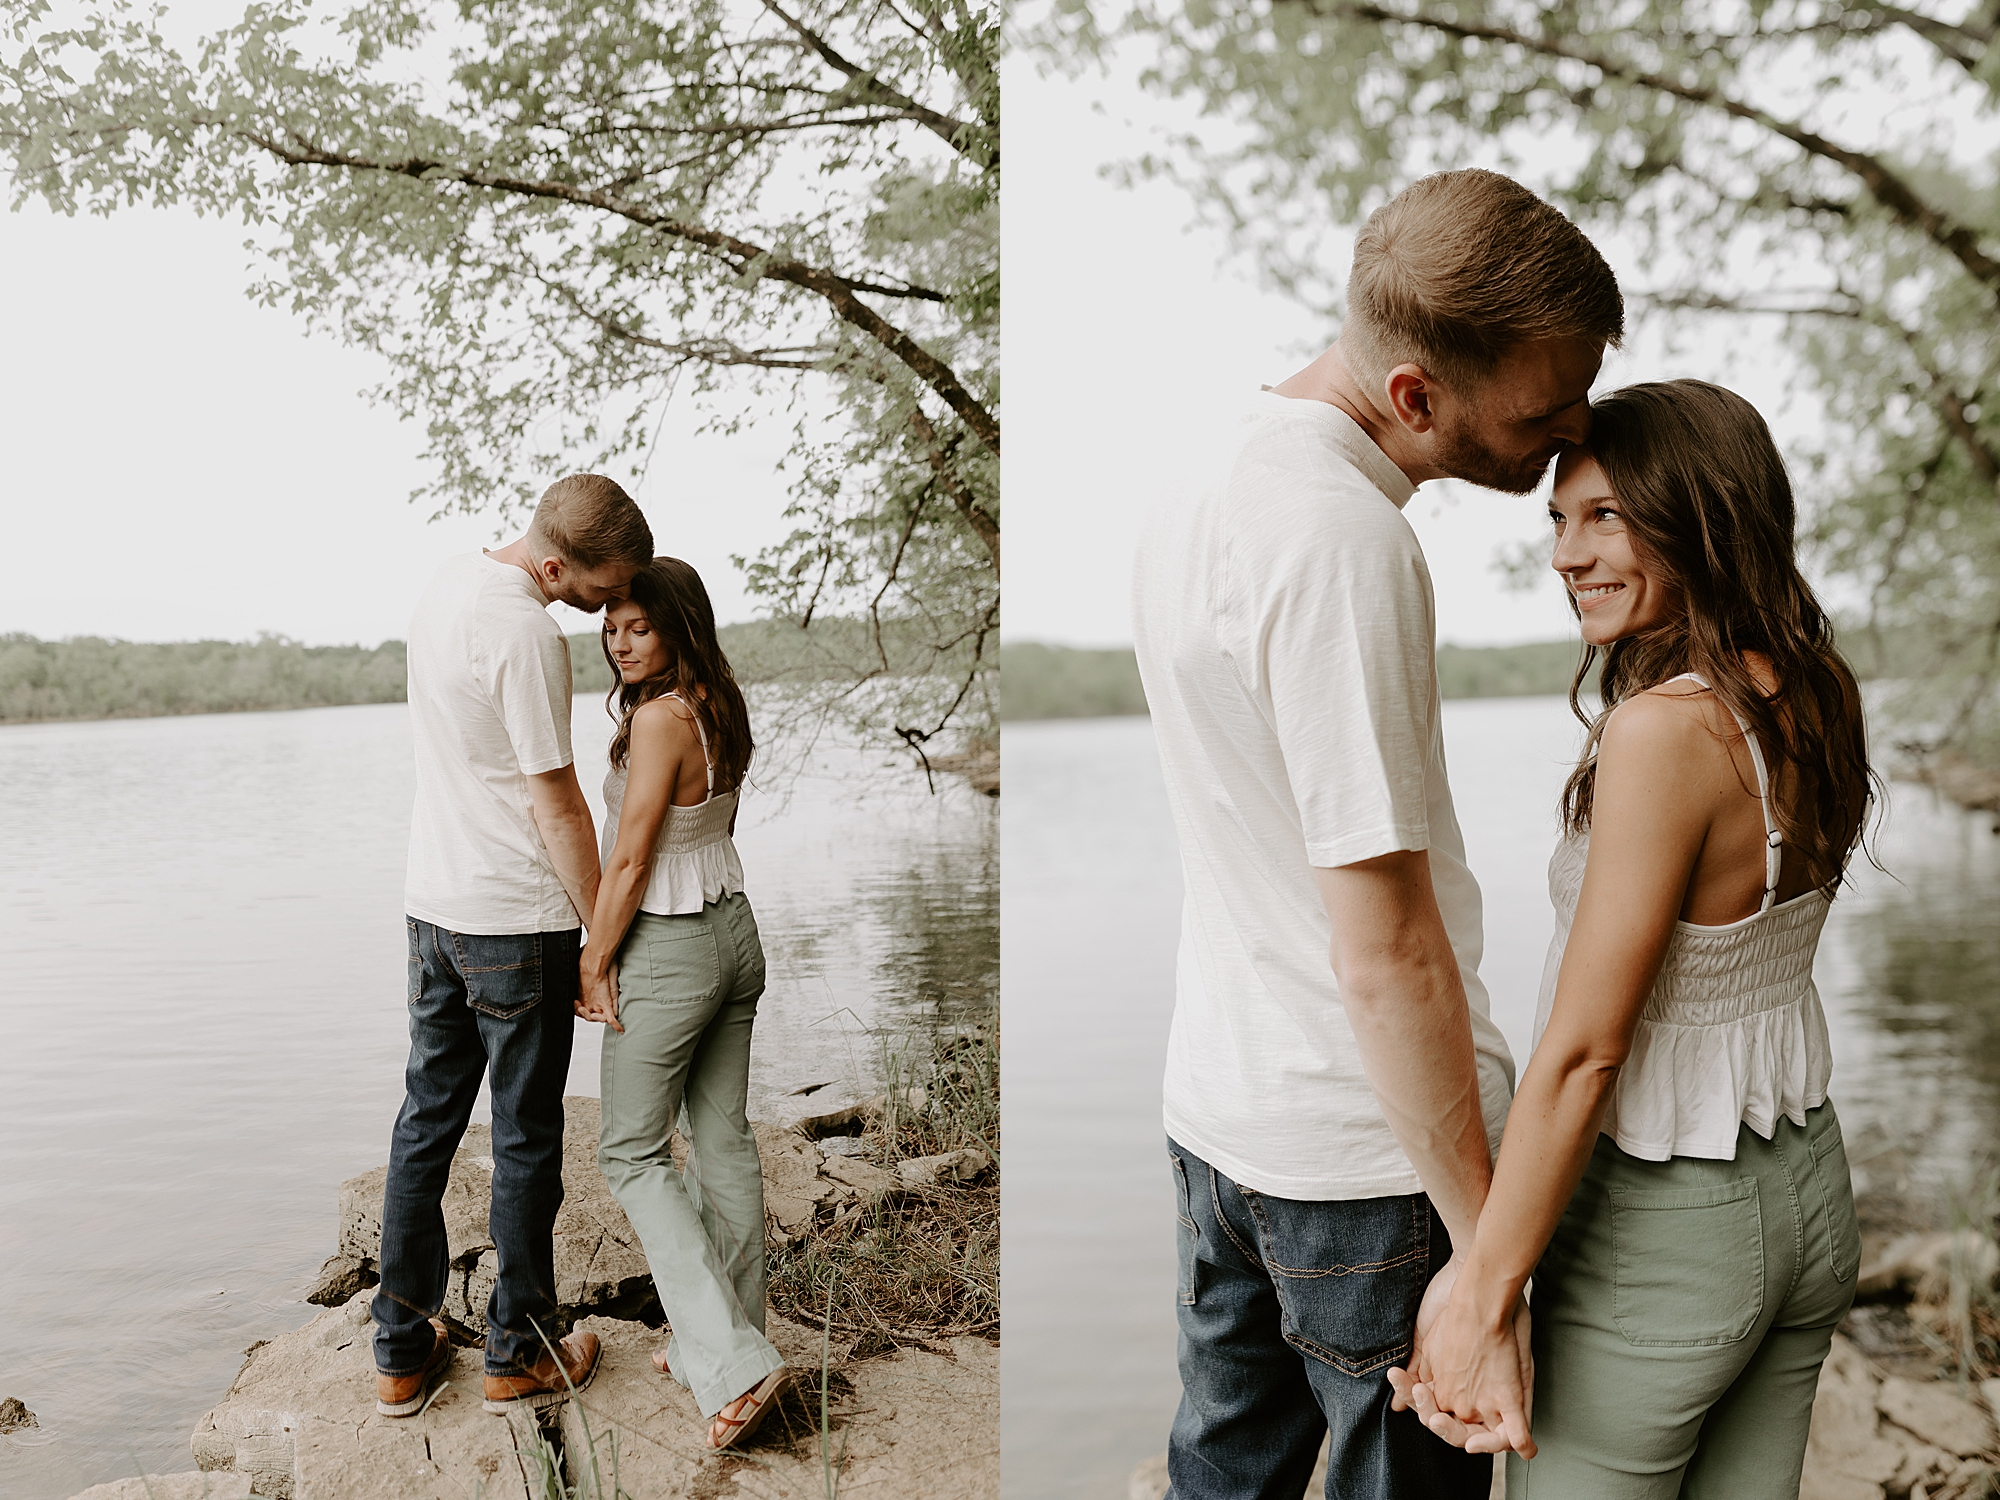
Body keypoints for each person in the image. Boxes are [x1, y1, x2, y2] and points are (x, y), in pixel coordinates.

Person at [1128, 168, 1624, 1499]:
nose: (1574, 431)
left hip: (1220, 1122)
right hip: (1363, 1168)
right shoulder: (1344, 542)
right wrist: (1485, 1262)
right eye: (1543, 410)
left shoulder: (1205, 471)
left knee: (1218, 1482)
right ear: (1414, 398)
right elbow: (1388, 949)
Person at [1392, 380, 1871, 1498]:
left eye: (1604, 516)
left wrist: (1480, 1294)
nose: (1566, 553)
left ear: (1704, 514)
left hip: (1660, 1229)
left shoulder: (1662, 733)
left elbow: (1583, 1052)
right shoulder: (1809, 691)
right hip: (1803, 1193)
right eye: (1558, 519)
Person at [373, 473, 653, 1419]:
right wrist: (601, 940)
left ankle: (401, 1354)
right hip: (514, 917)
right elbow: (557, 799)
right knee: (528, 1140)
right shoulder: (527, 632)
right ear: (555, 562)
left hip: (432, 907)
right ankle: (519, 1352)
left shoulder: (446, 585)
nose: (607, 605)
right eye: (600, 586)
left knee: (426, 1125)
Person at [575, 557, 790, 1452]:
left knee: (629, 1151)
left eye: (638, 627)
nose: (622, 643)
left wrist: (594, 958)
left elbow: (628, 863)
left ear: (676, 626)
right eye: (612, 629)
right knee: (723, 1138)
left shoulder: (660, 721)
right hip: (735, 932)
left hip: (670, 947)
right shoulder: (719, 702)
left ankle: (733, 1366)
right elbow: (719, 829)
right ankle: (728, 1338)